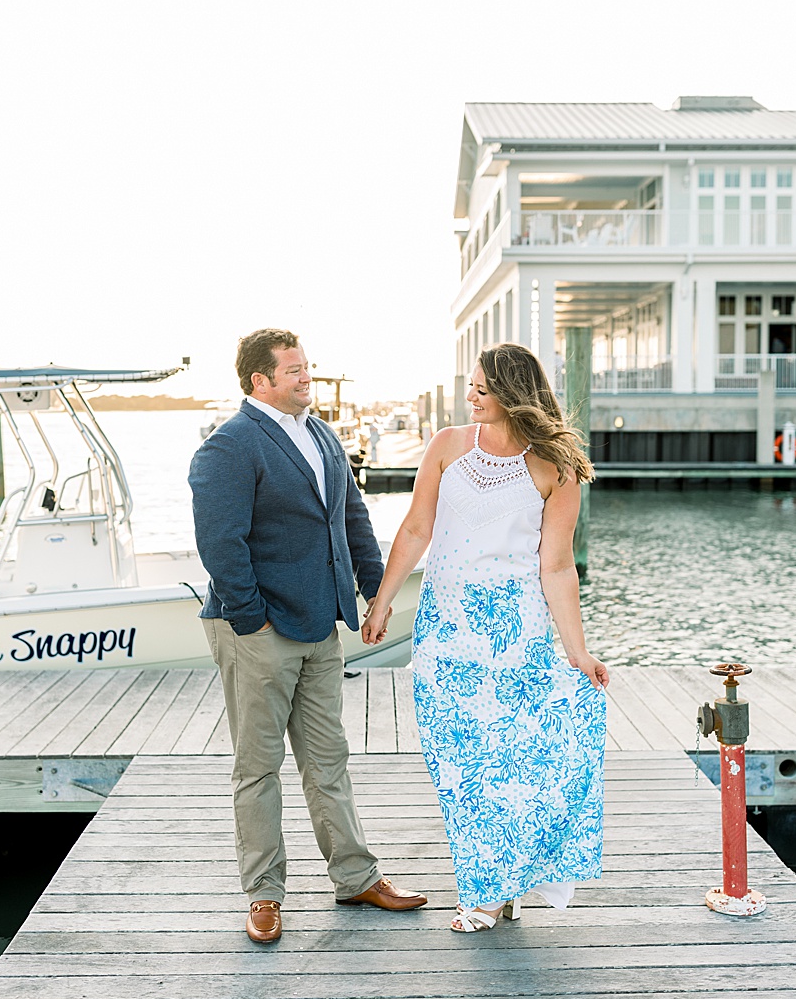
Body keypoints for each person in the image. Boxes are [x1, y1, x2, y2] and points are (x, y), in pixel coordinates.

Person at [189, 328, 427, 946]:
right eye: (293, 370)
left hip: (322, 625)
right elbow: (220, 544)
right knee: (258, 767)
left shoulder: (321, 435)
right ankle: (264, 894)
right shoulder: (228, 446)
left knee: (328, 759)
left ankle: (356, 878)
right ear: (259, 380)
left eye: (307, 367)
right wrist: (253, 619)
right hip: (258, 629)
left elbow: (351, 519)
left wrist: (375, 592)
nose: (306, 378)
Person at [361, 342, 608, 933]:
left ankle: (489, 891)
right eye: (470, 385)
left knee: (507, 764)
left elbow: (557, 566)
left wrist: (577, 651)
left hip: (515, 636)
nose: (470, 396)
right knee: (458, 765)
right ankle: (499, 881)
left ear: (513, 393)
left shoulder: (556, 467)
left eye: (482, 388)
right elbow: (416, 529)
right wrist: (383, 601)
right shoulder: (447, 445)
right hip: (444, 632)